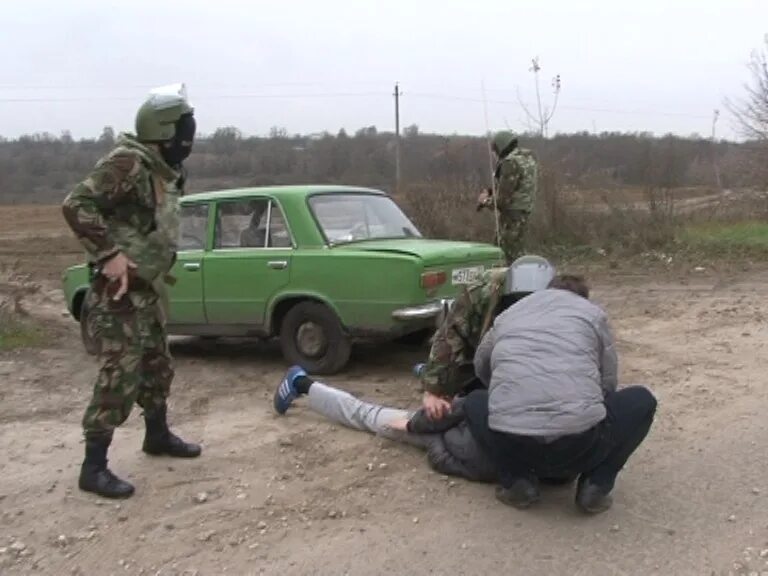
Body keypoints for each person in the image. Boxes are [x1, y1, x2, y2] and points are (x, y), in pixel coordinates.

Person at [62, 84, 201, 499]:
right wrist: (108, 253)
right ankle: (93, 467)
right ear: (163, 131)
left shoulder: (164, 168)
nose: (188, 138)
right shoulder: (128, 163)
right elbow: (76, 205)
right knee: (119, 377)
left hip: (148, 290)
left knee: (158, 367)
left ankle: (157, 436)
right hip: (118, 293)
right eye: (182, 129)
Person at [463, 274, 657, 514]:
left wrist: (508, 392)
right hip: (579, 444)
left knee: (474, 401)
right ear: (582, 298)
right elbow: (608, 381)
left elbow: (481, 365)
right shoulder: (592, 314)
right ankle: (596, 486)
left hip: (514, 441)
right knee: (642, 400)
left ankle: (517, 483)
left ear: (546, 291)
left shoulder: (509, 315)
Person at [272, 366, 497, 482]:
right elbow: (468, 405)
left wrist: (427, 433)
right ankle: (426, 372)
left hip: (439, 428)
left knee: (368, 415)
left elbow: (443, 459)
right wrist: (421, 423)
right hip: (445, 420)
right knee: (367, 414)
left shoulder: (491, 466)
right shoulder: (505, 463)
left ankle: (302, 384)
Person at [419, 255, 555, 420]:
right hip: (480, 359)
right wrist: (434, 391)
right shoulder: (481, 291)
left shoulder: (565, 298)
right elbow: (450, 336)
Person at [477, 131, 538, 263]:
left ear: (501, 146)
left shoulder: (510, 163)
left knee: (504, 255)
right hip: (524, 212)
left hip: (511, 217)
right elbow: (516, 184)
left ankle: (509, 282)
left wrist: (485, 200)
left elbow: (502, 202)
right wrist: (492, 191)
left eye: (495, 150)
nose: (495, 154)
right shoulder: (528, 156)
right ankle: (521, 279)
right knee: (518, 251)